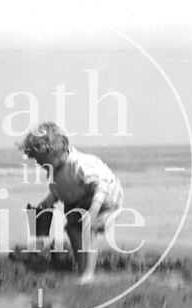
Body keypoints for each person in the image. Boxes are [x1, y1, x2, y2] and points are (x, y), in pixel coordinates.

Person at [18, 121, 124, 284]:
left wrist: (93, 211)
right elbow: (58, 191)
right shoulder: (56, 173)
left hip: (106, 201)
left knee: (87, 230)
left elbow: (101, 185)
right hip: (84, 201)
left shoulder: (79, 164)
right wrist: (47, 202)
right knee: (73, 229)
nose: (39, 165)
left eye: (41, 160)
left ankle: (88, 274)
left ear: (53, 152)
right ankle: (82, 270)